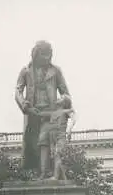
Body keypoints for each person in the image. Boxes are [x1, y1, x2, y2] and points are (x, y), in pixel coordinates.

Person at [15, 40, 72, 177]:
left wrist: (64, 100)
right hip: (33, 112)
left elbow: (66, 93)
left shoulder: (56, 71)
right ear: (36, 55)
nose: (47, 59)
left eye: (49, 56)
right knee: (34, 143)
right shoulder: (26, 71)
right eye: (44, 56)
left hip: (51, 114)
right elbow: (18, 91)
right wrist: (24, 105)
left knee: (49, 144)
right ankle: (37, 174)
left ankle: (49, 174)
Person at [38, 98, 76, 180]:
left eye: (62, 98)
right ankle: (64, 178)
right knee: (55, 156)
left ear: (64, 103)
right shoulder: (54, 113)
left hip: (60, 135)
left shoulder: (66, 111)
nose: (58, 98)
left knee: (58, 155)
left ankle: (55, 177)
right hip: (52, 136)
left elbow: (74, 118)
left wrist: (69, 130)